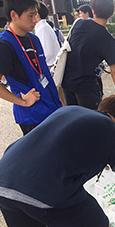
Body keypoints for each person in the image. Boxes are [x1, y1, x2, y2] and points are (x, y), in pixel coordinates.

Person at [0, 95, 115, 227]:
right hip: (47, 189)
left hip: (4, 180)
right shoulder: (112, 130)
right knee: (99, 226)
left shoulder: (70, 110)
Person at [0, 0, 61, 135]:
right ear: (14, 15)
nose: (35, 20)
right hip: (33, 116)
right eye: (30, 15)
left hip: (52, 108)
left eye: (36, 15)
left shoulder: (34, 39)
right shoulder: (5, 45)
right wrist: (22, 102)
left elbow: (43, 72)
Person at [62, 0, 115, 110]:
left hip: (67, 83)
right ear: (111, 13)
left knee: (74, 121)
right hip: (86, 86)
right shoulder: (108, 40)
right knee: (92, 123)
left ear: (93, 11)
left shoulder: (79, 23)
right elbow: (114, 71)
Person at [34, 2, 60, 68]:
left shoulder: (43, 28)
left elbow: (47, 53)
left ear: (37, 15)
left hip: (50, 66)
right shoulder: (42, 27)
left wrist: (38, 65)